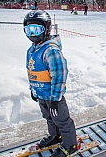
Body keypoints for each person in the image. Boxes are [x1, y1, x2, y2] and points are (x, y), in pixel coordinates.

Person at [23, 10, 77, 157]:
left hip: (53, 96)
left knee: (62, 120)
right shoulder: (32, 50)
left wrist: (55, 98)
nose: (32, 34)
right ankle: (55, 136)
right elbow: (32, 72)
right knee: (48, 117)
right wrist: (33, 90)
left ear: (46, 29)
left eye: (36, 29)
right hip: (41, 93)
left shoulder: (51, 50)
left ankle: (70, 143)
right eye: (29, 30)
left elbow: (60, 75)